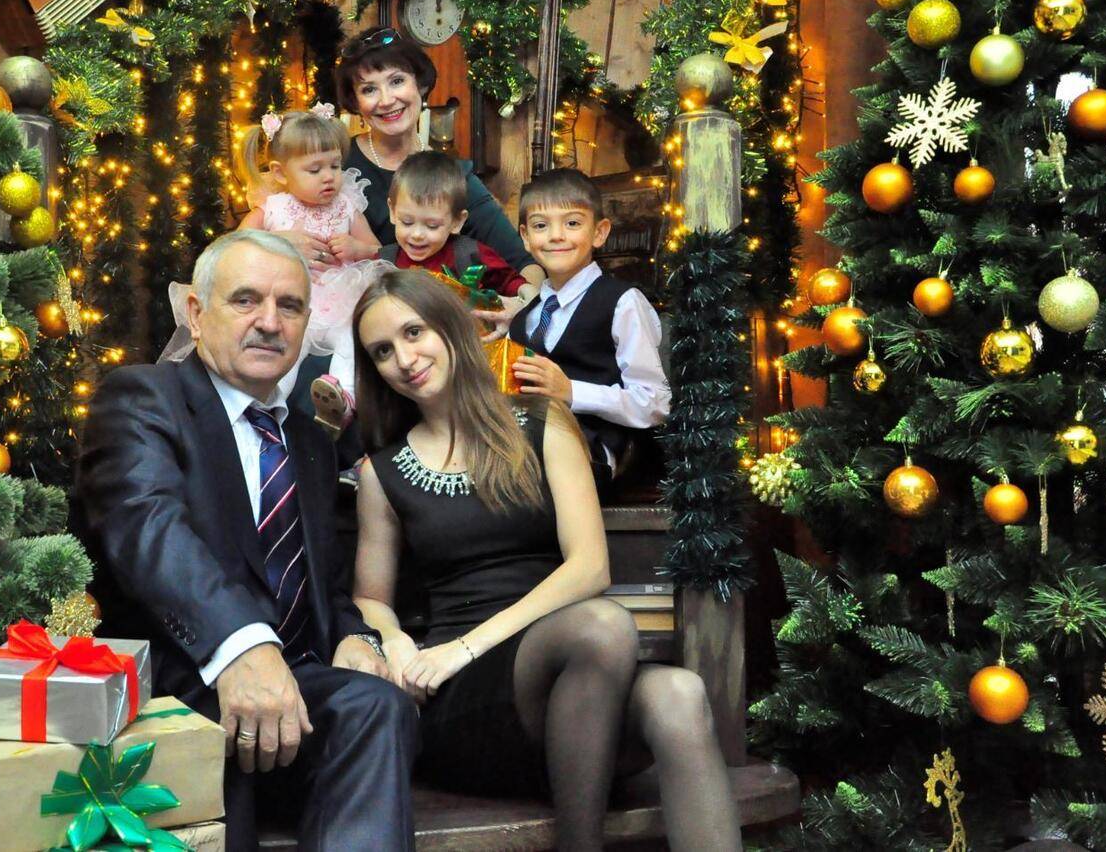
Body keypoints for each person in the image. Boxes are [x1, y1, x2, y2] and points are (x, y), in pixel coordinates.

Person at [349, 270, 741, 852]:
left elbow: (590, 568)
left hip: (561, 671)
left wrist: (467, 645)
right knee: (601, 625)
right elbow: (370, 598)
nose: (404, 359)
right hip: (467, 702)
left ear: (452, 329)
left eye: (414, 332)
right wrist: (395, 639)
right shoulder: (380, 472)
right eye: (383, 351)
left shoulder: (543, 422)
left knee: (679, 695)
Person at [77, 231, 418, 851]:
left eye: (290, 306)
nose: (269, 322)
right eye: (245, 300)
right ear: (196, 313)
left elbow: (322, 582)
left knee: (376, 705)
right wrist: (241, 647)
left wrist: (354, 636)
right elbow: (148, 529)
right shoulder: (143, 398)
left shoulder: (309, 441)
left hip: (295, 693)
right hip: (182, 692)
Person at [334, 26, 540, 289]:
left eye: (397, 81)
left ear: (420, 85)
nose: (386, 100)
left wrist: (521, 304)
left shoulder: (453, 176)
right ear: (355, 102)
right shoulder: (335, 163)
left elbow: (524, 266)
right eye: (369, 89)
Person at [506, 169, 670, 493]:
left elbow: (655, 404)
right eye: (541, 225)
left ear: (599, 232)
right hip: (526, 450)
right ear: (525, 237)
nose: (556, 236)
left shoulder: (622, 303)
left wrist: (571, 391)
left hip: (598, 455)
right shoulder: (523, 320)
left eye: (572, 223)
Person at [235, 105, 391, 435]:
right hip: (292, 304)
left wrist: (356, 247)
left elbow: (378, 250)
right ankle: (267, 404)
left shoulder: (346, 206)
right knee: (285, 348)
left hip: (341, 302)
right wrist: (276, 240)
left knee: (352, 336)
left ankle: (341, 400)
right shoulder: (273, 208)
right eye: (314, 169)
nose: (329, 176)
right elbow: (236, 246)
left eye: (335, 165)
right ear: (280, 173)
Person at [379, 150, 537, 303]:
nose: (417, 234)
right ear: (392, 211)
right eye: (407, 222)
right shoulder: (381, 263)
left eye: (432, 226)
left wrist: (526, 294)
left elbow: (510, 282)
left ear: (457, 222)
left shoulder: (471, 255)